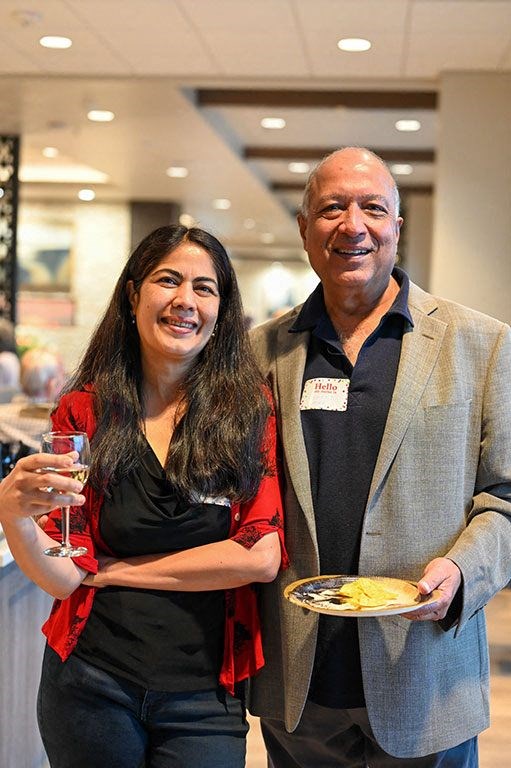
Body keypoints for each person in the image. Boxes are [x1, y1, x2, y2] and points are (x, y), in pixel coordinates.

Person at [248, 147, 511, 767]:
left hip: (425, 673)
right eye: (332, 208)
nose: (353, 225)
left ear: (398, 226)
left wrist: (462, 573)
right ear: (306, 230)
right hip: (300, 682)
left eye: (373, 208)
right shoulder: (259, 350)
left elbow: (506, 498)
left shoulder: (480, 344)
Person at [0, 224, 286, 768]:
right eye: (168, 280)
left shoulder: (247, 412)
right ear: (134, 295)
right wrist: (12, 516)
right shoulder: (83, 412)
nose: (185, 301)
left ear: (221, 311)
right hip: (89, 683)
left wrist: (114, 571)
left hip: (204, 696)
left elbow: (259, 555)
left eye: (205, 288)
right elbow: (65, 575)